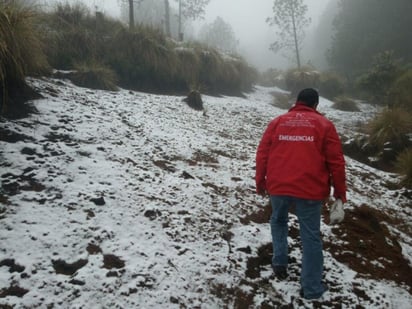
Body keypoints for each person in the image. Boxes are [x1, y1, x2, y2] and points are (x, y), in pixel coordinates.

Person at [255, 88, 346, 300]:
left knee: (278, 220)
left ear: (296, 101)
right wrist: (340, 193)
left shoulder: (277, 122)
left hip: (277, 185)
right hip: (310, 189)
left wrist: (260, 181)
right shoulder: (325, 125)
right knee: (310, 235)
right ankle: (312, 288)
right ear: (316, 105)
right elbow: (336, 162)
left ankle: (279, 262)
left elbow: (263, 154)